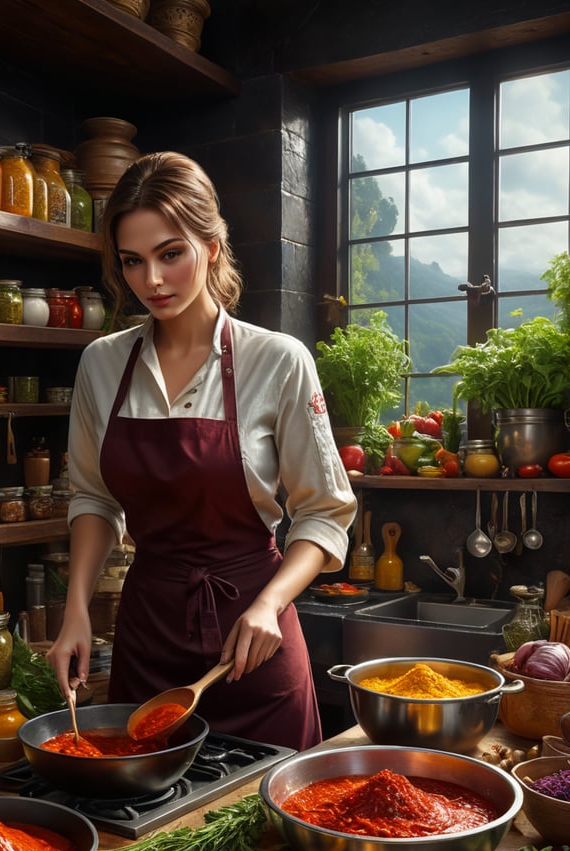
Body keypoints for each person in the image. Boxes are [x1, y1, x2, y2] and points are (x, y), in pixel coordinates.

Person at [46, 151, 356, 750]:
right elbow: (92, 496)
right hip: (147, 641)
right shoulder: (102, 363)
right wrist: (76, 609)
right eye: (132, 262)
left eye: (171, 254)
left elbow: (324, 512)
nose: (151, 282)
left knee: (268, 832)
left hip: (254, 645)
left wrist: (270, 605)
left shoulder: (278, 359)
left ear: (212, 245)